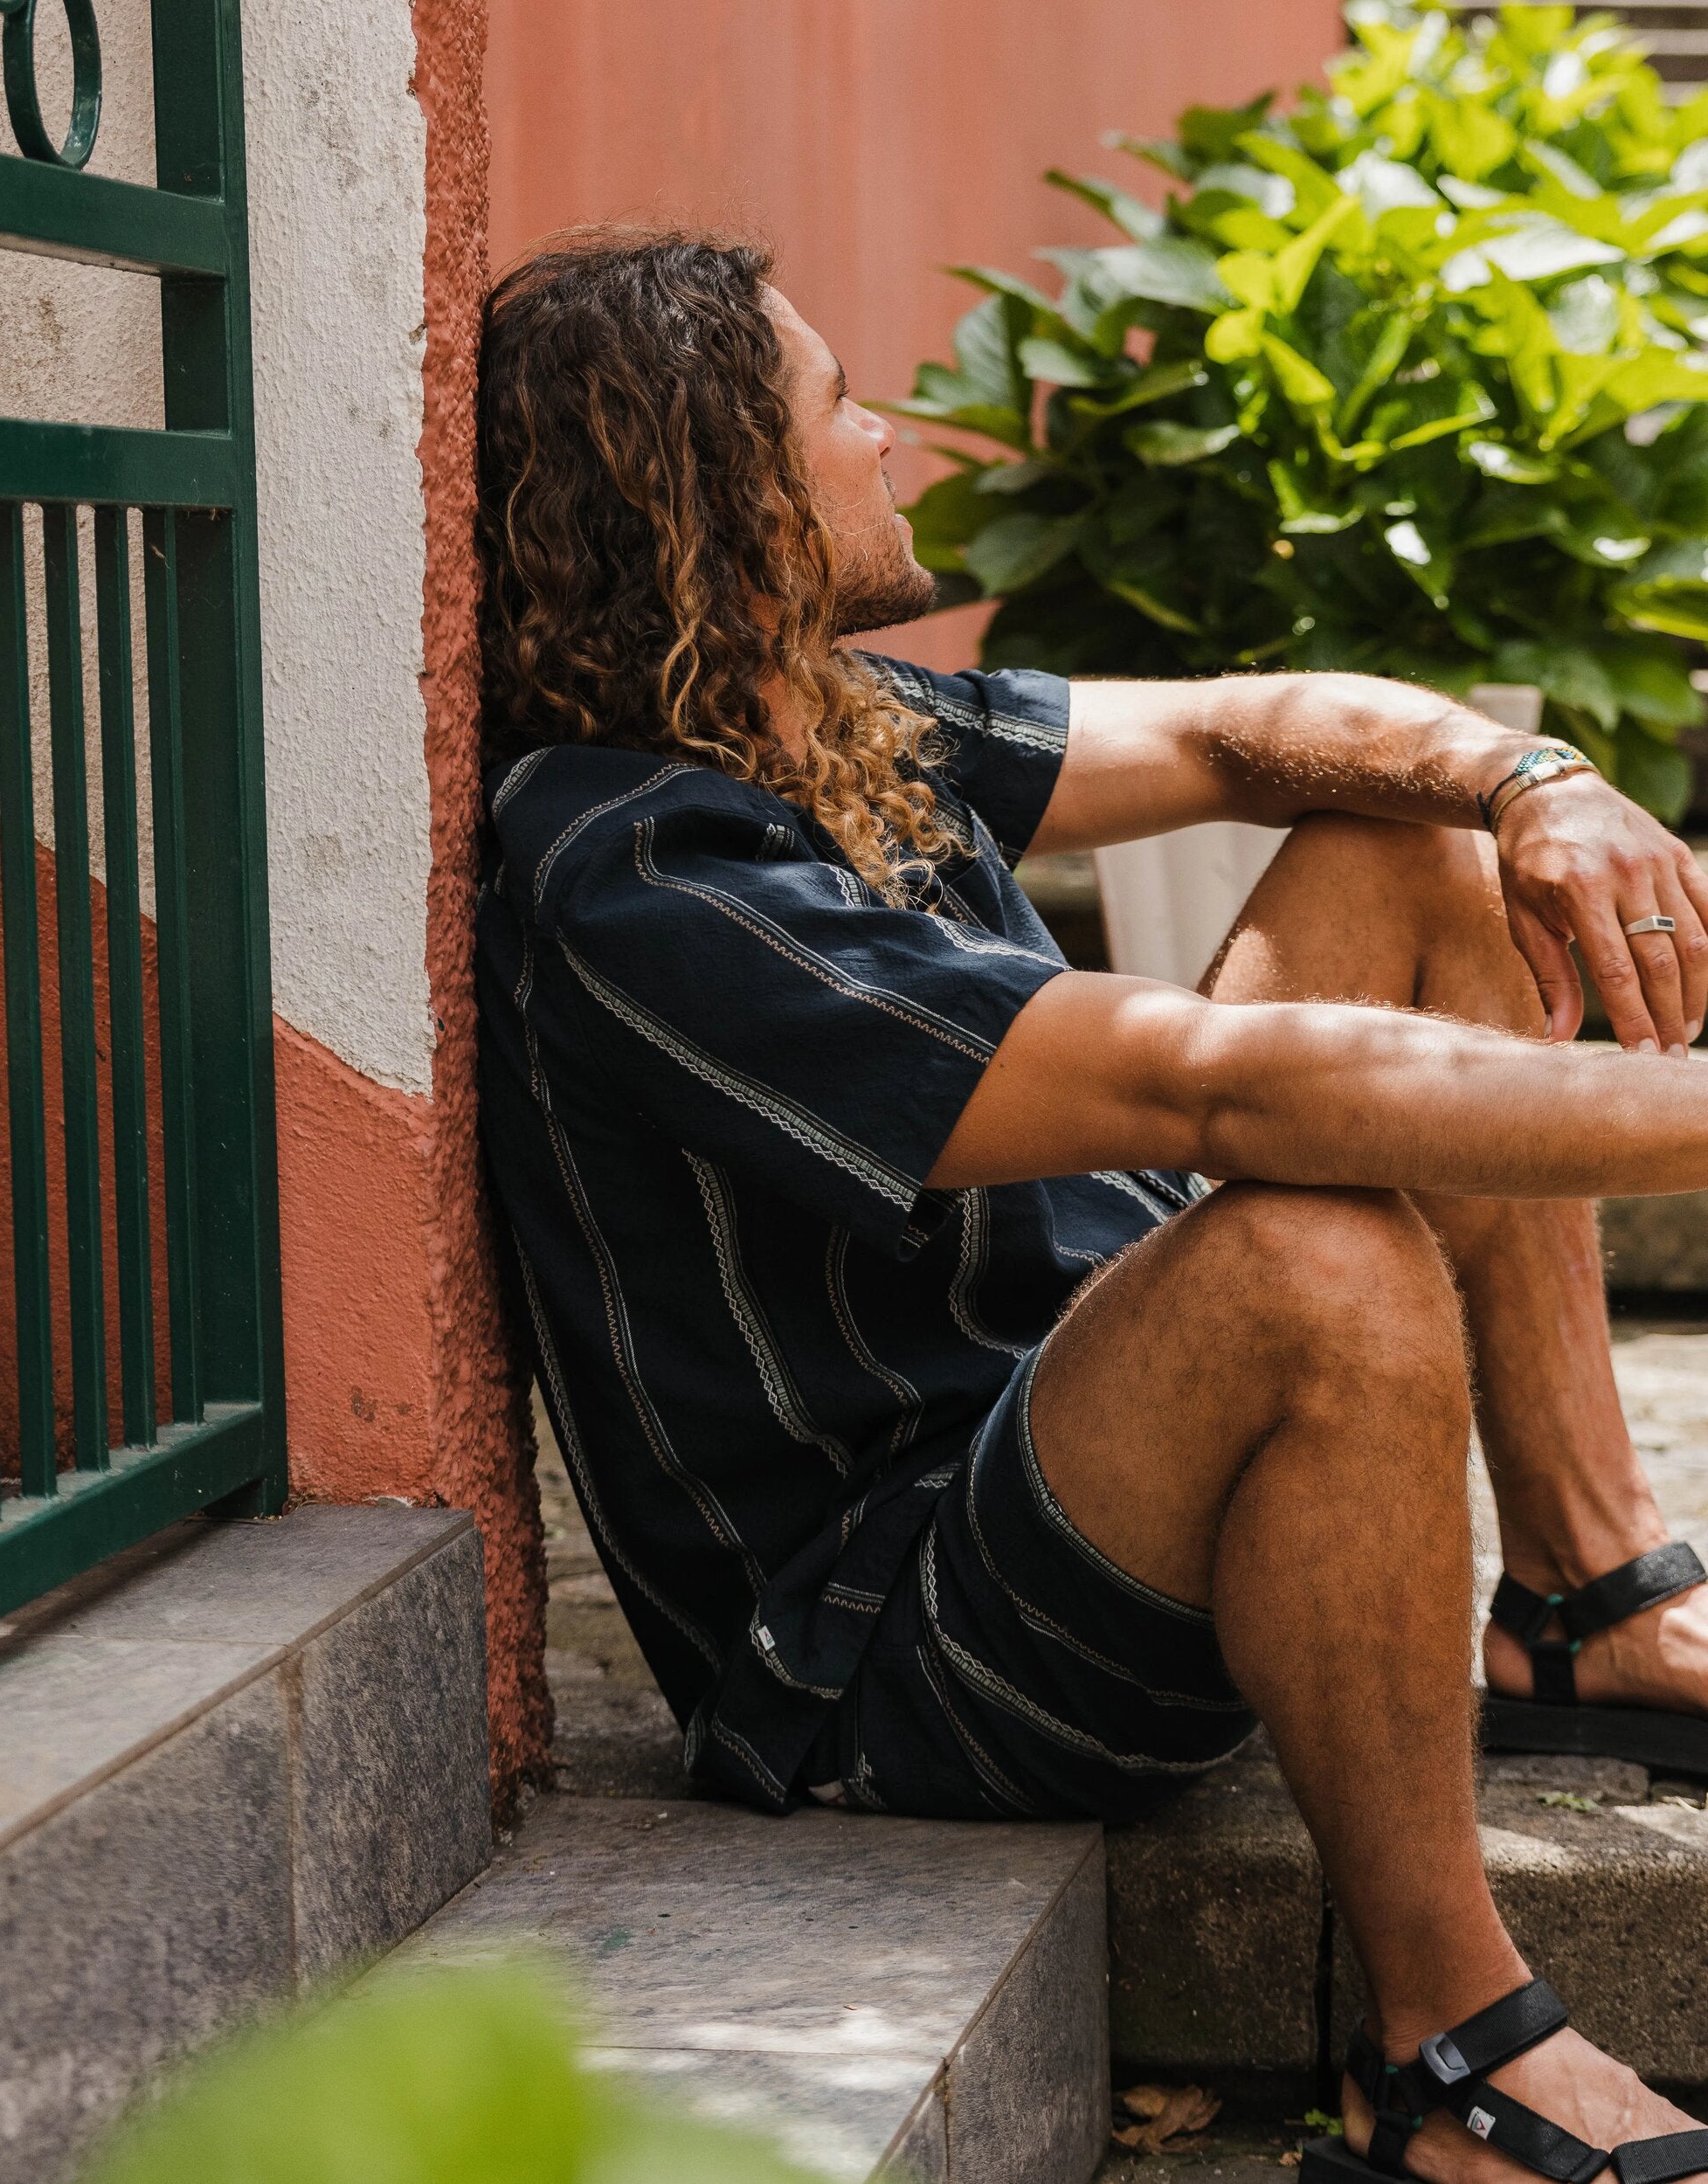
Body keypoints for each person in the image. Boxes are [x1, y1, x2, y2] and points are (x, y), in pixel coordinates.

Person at [474, 230, 1708, 2184]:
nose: (886, 436)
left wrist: (1528, 774)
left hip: (1068, 1456)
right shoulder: (640, 866)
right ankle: (1448, 2057)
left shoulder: (832, 721)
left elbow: (1246, 724)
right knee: (1312, 1257)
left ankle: (1581, 1599)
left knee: (1421, 849)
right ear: (714, 496)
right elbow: (1202, 1081)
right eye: (836, 407)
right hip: (888, 1650)